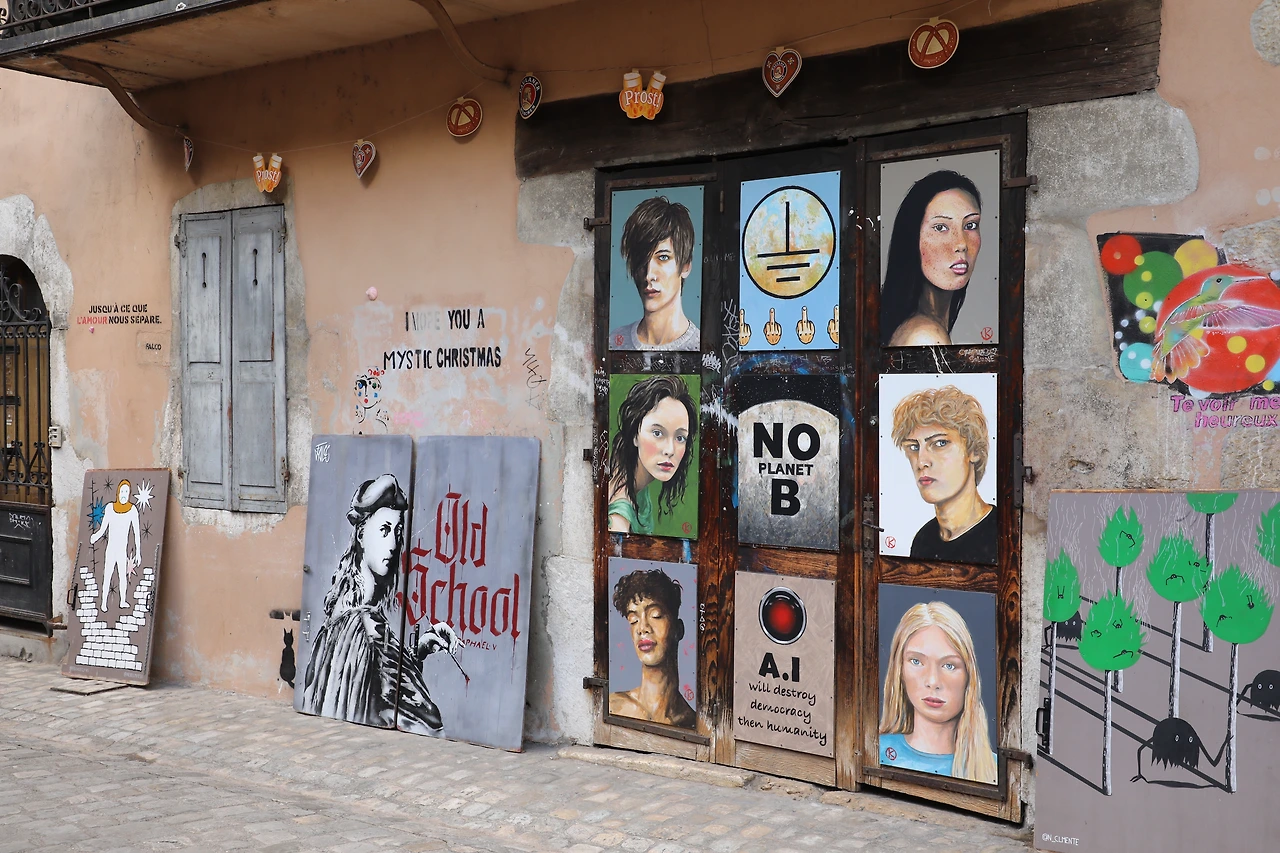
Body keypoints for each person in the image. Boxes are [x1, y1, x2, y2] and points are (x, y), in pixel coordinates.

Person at [300, 473, 460, 729]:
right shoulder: (369, 625)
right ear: (361, 535)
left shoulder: (338, 618)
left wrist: (417, 653)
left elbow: (375, 692)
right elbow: (428, 718)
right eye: (384, 530)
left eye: (398, 532)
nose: (394, 544)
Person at [879, 601, 998, 784]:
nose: (933, 681)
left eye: (949, 665)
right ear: (899, 670)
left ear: (969, 676)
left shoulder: (994, 769)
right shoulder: (876, 751)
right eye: (917, 661)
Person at [891, 385, 997, 565]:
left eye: (940, 443)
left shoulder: (1000, 533)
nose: (921, 462)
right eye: (914, 447)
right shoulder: (924, 539)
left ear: (974, 451)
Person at [881, 170, 983, 347]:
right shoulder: (925, 336)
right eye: (941, 227)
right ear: (913, 238)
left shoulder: (921, 327)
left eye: (970, 225)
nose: (961, 244)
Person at [608, 375, 698, 535]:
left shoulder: (628, 473)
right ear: (635, 435)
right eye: (657, 433)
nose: (670, 450)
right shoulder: (620, 518)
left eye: (680, 437)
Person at [609, 196, 701, 351]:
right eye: (641, 259)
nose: (649, 275)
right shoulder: (615, 341)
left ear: (686, 266)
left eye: (663, 257)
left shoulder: (700, 347)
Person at [609, 568, 695, 728]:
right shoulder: (613, 706)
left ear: (678, 629)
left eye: (655, 615)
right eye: (633, 620)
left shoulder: (691, 722)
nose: (642, 628)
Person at [91, 479, 140, 612]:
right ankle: (103, 603)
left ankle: (122, 601)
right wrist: (95, 536)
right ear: (118, 492)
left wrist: (138, 552)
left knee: (122, 576)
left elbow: (136, 532)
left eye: (126, 492)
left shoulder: (132, 510)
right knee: (107, 575)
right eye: (122, 491)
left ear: (129, 494)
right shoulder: (110, 508)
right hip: (111, 549)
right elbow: (103, 528)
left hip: (122, 550)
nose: (124, 494)